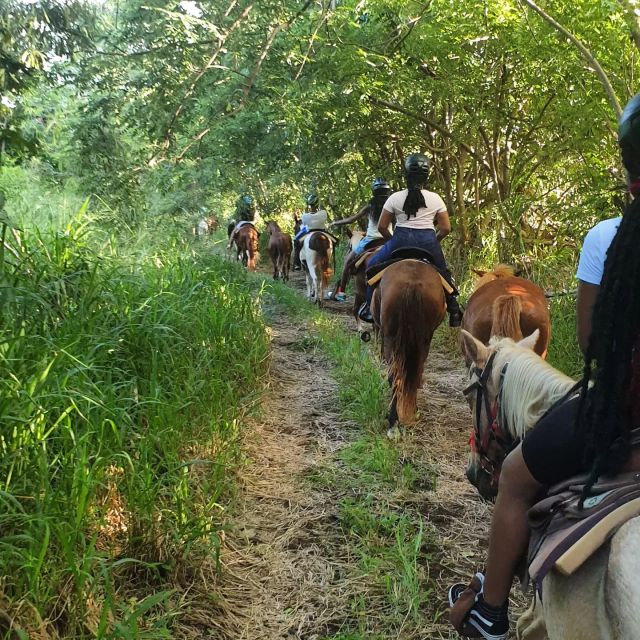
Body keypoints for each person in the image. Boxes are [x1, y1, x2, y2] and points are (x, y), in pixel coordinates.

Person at [447, 93, 640, 640]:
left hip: (627, 414)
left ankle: (489, 611)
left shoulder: (610, 237)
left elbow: (589, 343)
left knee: (513, 476)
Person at [358, 153, 463, 327]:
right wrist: (434, 241)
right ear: (426, 176)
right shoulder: (436, 198)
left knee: (371, 267)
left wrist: (393, 242)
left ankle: (369, 308)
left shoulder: (394, 197)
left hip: (400, 240)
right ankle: (454, 310)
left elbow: (382, 227)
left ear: (405, 174)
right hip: (428, 242)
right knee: (446, 274)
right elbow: (445, 228)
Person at [329, 177, 393, 301]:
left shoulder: (370, 206)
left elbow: (351, 220)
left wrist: (336, 223)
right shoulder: (392, 206)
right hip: (388, 240)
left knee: (347, 261)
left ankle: (341, 292)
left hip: (370, 240)